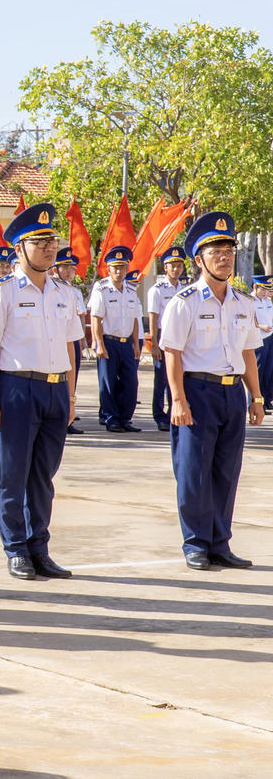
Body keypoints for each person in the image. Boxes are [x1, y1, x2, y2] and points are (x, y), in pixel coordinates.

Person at [0, 204, 82, 581]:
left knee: (43, 475)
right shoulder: (1, 292)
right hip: (17, 388)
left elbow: (72, 347)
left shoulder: (65, 293)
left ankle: (39, 547)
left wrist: (70, 397)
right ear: (19, 248)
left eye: (52, 241)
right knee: (13, 473)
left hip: (55, 390)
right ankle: (16, 548)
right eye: (39, 242)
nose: (49, 248)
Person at [160, 211, 263, 570]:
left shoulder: (242, 302)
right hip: (196, 392)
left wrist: (257, 396)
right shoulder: (184, 302)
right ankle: (195, 543)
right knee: (193, 472)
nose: (224, 256)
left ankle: (220, 542)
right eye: (216, 250)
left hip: (231, 393)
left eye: (229, 250)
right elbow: (171, 352)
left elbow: (248, 351)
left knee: (226, 471)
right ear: (199, 259)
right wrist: (177, 399)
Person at [89, 245, 142, 432]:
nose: (119, 272)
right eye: (115, 268)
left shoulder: (130, 290)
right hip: (109, 341)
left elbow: (135, 319)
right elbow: (96, 318)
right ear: (108, 270)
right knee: (108, 382)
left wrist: (136, 343)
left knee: (130, 382)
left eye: (122, 268)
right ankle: (111, 418)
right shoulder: (101, 289)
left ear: (127, 269)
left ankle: (125, 417)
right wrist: (99, 344)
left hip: (126, 342)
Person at [148, 247, 190, 430]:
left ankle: (174, 411)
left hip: (181, 342)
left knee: (178, 378)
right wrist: (154, 344)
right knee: (161, 381)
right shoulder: (156, 290)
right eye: (172, 265)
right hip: (163, 341)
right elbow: (153, 318)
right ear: (165, 268)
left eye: (179, 265)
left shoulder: (185, 290)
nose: (176, 269)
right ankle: (160, 416)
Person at [51, 247, 89, 435]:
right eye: (64, 267)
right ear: (54, 269)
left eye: (71, 268)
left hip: (72, 339)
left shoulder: (73, 291)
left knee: (71, 380)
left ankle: (69, 415)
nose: (68, 271)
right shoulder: (52, 289)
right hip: (58, 340)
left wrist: (82, 340)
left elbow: (80, 316)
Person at [253, 276, 273, 410]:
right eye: (263, 289)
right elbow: (250, 321)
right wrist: (261, 327)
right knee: (257, 372)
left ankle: (267, 400)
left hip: (270, 337)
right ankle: (256, 401)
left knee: (268, 371)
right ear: (255, 287)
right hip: (259, 338)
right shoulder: (250, 301)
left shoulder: (267, 301)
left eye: (267, 290)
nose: (265, 293)